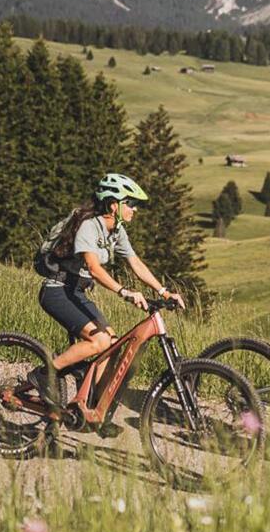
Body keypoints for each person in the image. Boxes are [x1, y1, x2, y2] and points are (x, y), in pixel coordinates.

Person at [31, 172, 185, 405]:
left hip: (75, 291)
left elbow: (135, 263)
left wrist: (164, 291)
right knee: (100, 342)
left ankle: (93, 409)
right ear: (114, 205)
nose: (135, 209)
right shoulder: (89, 227)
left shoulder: (116, 230)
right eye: (131, 204)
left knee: (112, 345)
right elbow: (93, 268)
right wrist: (124, 292)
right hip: (57, 290)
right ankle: (43, 375)